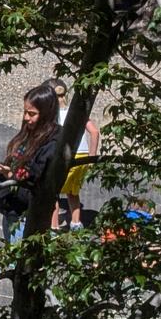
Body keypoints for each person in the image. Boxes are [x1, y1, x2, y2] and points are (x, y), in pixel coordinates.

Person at [0, 84, 60, 242]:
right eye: (25, 112)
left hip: (26, 219)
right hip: (11, 214)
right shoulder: (29, 134)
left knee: (19, 256)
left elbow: (34, 187)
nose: (26, 118)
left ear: (46, 114)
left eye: (32, 114)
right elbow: (14, 171)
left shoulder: (52, 144)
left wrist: (8, 174)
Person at [46, 79, 100, 231]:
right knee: (73, 191)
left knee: (53, 193)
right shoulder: (77, 113)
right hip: (82, 156)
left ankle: (54, 227)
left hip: (65, 156)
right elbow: (94, 132)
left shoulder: (52, 115)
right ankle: (76, 224)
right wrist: (92, 157)